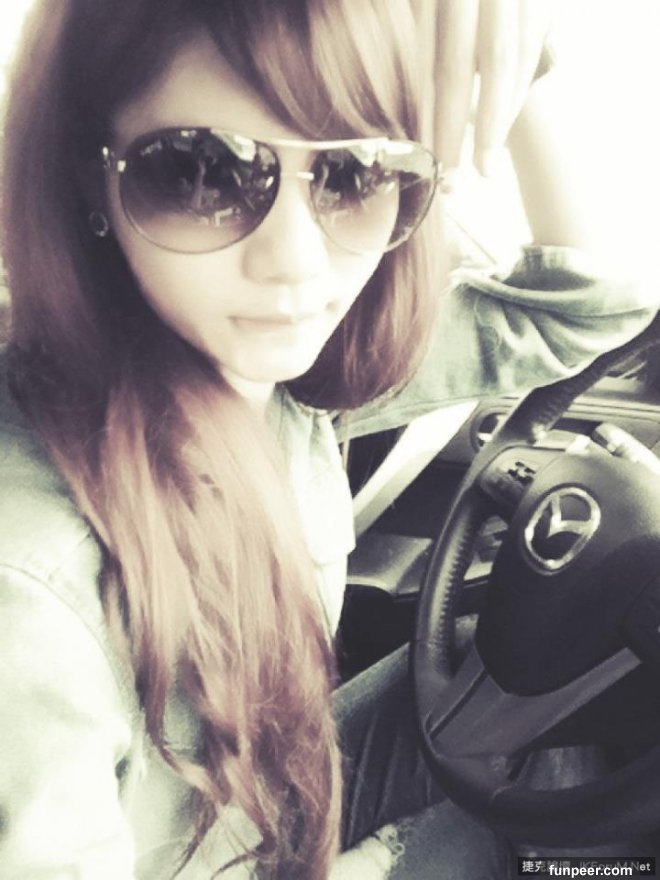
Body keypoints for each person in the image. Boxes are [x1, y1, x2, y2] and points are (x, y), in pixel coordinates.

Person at [0, 1, 656, 878]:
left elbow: (595, 307)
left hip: (273, 785)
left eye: (354, 174)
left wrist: (530, 56)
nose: (297, 260)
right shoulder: (31, 585)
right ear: (89, 178)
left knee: (544, 674)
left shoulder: (280, 371)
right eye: (200, 173)